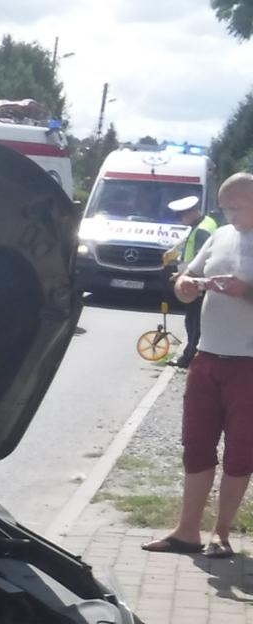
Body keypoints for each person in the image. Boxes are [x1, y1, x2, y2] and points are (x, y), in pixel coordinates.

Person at [144, 173, 253, 559]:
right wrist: (186, 286)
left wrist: (246, 291)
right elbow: (185, 276)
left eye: (237, 207)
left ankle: (221, 534)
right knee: (196, 446)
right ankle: (187, 531)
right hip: (207, 356)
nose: (231, 214)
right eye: (226, 207)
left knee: (241, 452)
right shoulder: (220, 236)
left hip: (248, 365)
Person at [164, 195, 220, 368]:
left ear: (192, 212)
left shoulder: (202, 230)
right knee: (195, 321)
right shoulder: (204, 224)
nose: (180, 219)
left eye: (181, 216)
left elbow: (200, 259)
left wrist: (182, 275)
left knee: (193, 323)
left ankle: (188, 359)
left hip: (196, 284)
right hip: (197, 282)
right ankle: (191, 356)